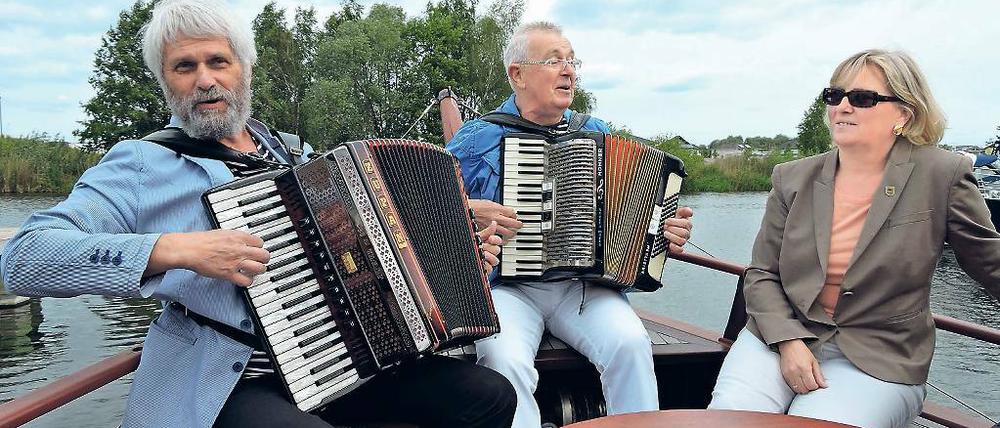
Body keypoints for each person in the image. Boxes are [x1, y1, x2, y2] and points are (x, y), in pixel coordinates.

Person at [0, 1, 514, 427]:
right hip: (230, 375)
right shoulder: (141, 162)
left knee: (488, 395)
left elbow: (370, 257)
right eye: (184, 67)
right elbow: (25, 257)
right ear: (166, 82)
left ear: (243, 70)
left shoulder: (293, 154)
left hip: (337, 360)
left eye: (217, 62)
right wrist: (176, 250)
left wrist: (459, 245)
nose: (204, 80)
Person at [708, 49, 1000, 428]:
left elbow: (989, 262)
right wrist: (787, 342)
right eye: (835, 96)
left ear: (904, 114)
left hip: (879, 355)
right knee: (726, 422)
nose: (842, 107)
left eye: (862, 99)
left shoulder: (941, 175)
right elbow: (762, 274)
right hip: (778, 336)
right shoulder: (792, 178)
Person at [445, 21, 695, 428]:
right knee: (503, 360)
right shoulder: (477, 138)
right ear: (518, 75)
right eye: (554, 60)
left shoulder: (596, 133)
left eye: (572, 61)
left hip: (584, 287)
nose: (569, 71)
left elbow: (634, 212)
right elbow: (426, 208)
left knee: (631, 344)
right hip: (507, 288)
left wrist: (666, 230)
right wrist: (470, 208)